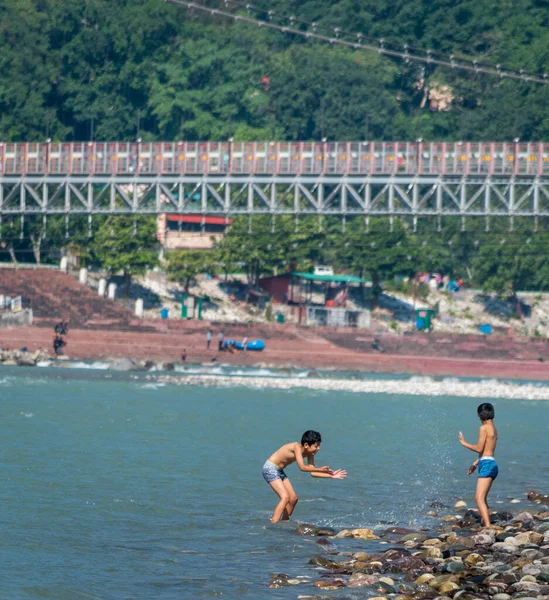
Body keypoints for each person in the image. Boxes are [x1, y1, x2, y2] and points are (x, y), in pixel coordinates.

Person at [262, 430, 347, 523]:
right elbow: (302, 467)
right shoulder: (296, 447)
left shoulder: (310, 453)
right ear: (306, 445)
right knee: (285, 497)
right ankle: (273, 523)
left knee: (293, 499)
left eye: (319, 446)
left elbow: (312, 473)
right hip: (270, 468)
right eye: (316, 446)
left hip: (279, 471)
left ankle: (283, 522)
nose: (318, 448)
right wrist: (320, 469)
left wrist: (331, 475)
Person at [459, 403, 498, 527]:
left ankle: (487, 526)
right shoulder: (493, 428)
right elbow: (487, 449)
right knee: (483, 498)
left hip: (486, 464)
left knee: (478, 498)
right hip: (490, 463)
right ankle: (487, 522)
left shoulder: (484, 428)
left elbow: (479, 448)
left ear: (480, 415)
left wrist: (464, 443)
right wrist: (476, 463)